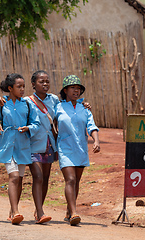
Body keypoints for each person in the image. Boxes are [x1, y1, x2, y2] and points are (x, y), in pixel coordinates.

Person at [0, 71, 92, 224]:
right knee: (37, 177)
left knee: (45, 178)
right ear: (33, 84)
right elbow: (12, 105)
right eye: (41, 82)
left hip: (49, 144)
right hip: (32, 143)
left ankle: (30, 210)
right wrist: (1, 100)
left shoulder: (54, 100)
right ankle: (39, 212)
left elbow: (68, 106)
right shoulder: (27, 101)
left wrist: (82, 104)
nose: (45, 84)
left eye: (47, 81)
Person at [0, 73, 40, 225]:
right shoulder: (1, 104)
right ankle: (17, 211)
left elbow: (36, 123)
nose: (22, 89)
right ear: (10, 88)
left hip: (23, 145)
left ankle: (12, 212)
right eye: (19, 87)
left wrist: (29, 128)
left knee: (20, 180)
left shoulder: (28, 104)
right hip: (7, 144)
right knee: (14, 177)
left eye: (24, 86)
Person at [55, 75, 100, 226]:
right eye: (73, 87)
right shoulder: (58, 107)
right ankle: (74, 213)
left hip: (81, 148)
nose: (76, 90)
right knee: (70, 179)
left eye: (78, 88)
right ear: (65, 90)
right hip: (65, 148)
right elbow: (49, 121)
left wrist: (96, 141)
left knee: (77, 181)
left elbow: (91, 126)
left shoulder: (84, 108)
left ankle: (69, 211)